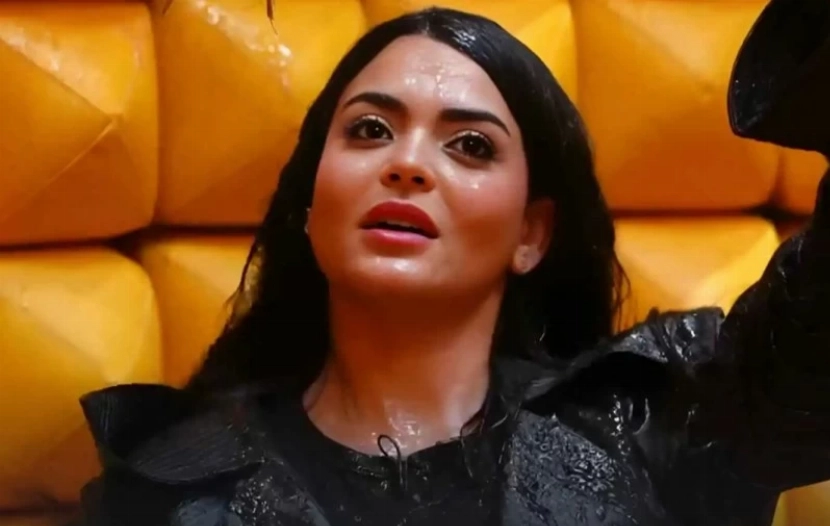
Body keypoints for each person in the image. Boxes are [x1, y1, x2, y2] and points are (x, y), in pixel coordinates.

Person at [73, 1, 830, 525]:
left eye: (470, 145)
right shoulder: (173, 487)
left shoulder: (651, 419)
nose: (406, 164)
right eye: (370, 130)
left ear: (532, 234)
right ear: (310, 207)